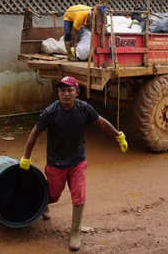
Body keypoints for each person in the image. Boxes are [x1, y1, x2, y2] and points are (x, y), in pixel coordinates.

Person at [19, 76, 128, 251]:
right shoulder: (50, 112)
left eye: (70, 90)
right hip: (56, 163)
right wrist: (26, 158)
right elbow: (34, 133)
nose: (66, 94)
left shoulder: (84, 108)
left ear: (77, 92)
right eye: (62, 90)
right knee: (53, 195)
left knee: (79, 194)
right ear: (58, 93)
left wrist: (118, 136)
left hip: (78, 161)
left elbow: (101, 123)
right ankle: (44, 203)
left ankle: (75, 232)